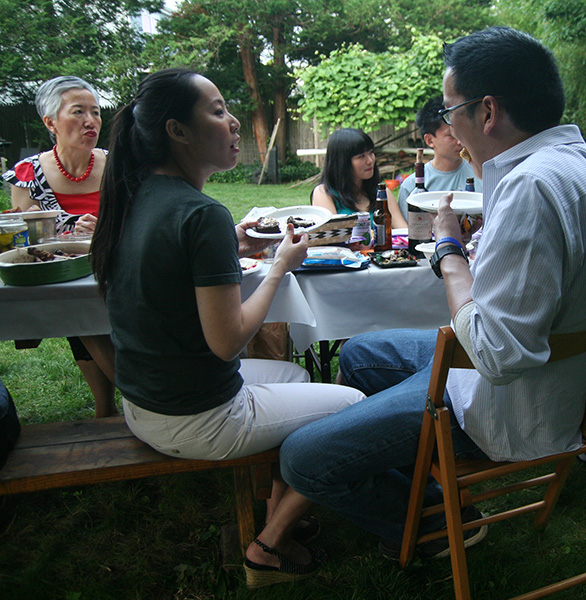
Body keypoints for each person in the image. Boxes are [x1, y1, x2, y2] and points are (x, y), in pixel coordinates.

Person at [278, 26, 586, 559]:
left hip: (506, 406)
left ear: (488, 111)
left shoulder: (529, 186)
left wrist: (449, 251)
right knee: (358, 353)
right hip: (570, 383)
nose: (449, 127)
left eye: (451, 113)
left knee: (302, 459)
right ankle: (413, 476)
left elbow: (496, 355)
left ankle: (433, 519)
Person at [90, 68, 366, 588]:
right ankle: (268, 548)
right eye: (217, 111)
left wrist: (230, 245)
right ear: (178, 131)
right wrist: (279, 267)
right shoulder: (200, 214)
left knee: (298, 378)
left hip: (144, 403)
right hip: (197, 417)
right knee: (354, 405)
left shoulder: (137, 195)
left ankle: (281, 511)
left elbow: (175, 274)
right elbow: (228, 342)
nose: (234, 121)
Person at [1, 76, 116, 417]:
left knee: (83, 311)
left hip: (118, 264)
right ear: (50, 122)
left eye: (95, 112)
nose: (90, 121)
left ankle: (132, 399)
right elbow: (26, 240)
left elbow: (140, 218)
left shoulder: (117, 165)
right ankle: (110, 404)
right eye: (78, 112)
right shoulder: (28, 173)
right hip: (65, 272)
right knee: (76, 308)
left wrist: (107, 229)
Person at [397, 95, 481, 220]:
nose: (460, 141)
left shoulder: (480, 175)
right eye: (451, 135)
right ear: (430, 140)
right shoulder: (411, 187)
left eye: (460, 132)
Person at [311, 128, 407, 229]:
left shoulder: (382, 193)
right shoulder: (324, 193)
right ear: (342, 162)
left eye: (371, 152)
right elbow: (333, 235)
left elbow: (403, 231)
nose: (370, 160)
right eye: (361, 156)